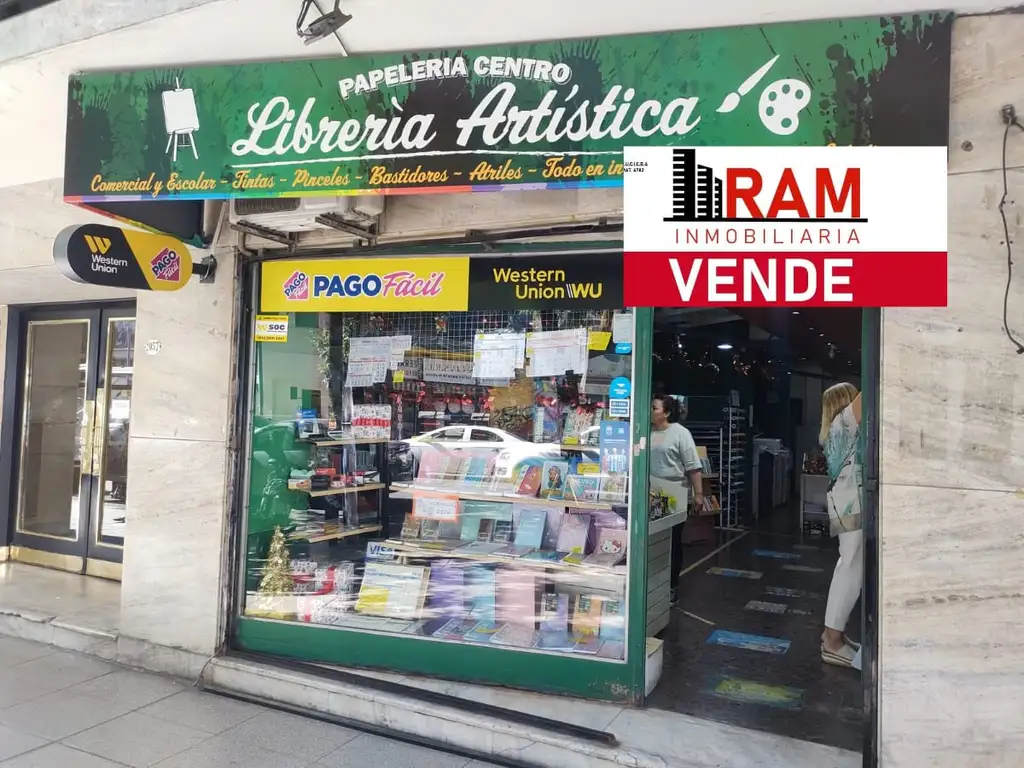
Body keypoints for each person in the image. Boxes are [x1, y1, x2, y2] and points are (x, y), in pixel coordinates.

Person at [818, 382, 864, 668]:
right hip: (851, 503)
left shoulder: (834, 431)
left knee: (850, 566)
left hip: (844, 502)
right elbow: (872, 392)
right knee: (849, 568)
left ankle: (834, 635)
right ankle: (832, 640)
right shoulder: (844, 422)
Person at [649, 394, 703, 604]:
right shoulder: (646, 432)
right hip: (651, 493)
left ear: (667, 413)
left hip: (674, 492)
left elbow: (693, 467)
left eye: (654, 408)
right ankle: (654, 584)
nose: (650, 411)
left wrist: (698, 494)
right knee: (654, 539)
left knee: (672, 539)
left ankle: (671, 586)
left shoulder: (680, 433)